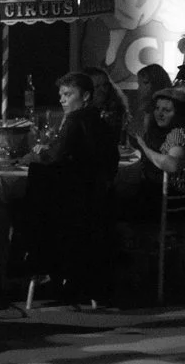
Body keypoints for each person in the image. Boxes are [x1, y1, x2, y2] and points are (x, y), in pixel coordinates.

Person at [10, 71, 120, 306]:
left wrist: (33, 157)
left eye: (68, 94)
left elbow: (55, 158)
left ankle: (25, 269)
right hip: (96, 204)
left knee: (17, 208)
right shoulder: (99, 121)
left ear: (86, 96)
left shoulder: (75, 120)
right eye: (61, 94)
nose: (62, 99)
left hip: (67, 211)